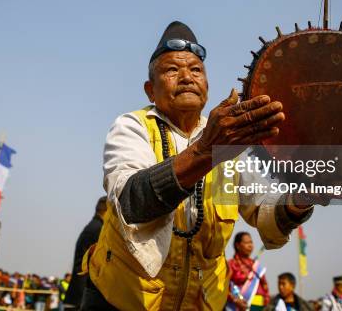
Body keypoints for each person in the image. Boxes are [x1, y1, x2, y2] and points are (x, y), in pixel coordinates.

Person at [81, 21, 321, 310]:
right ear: (150, 90)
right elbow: (131, 202)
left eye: (196, 70)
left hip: (202, 302)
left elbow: (264, 215)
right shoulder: (132, 126)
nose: (186, 77)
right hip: (122, 300)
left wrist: (303, 199)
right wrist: (207, 150)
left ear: (207, 84)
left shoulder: (229, 141)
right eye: (172, 70)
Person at [64, 196, 107, 309]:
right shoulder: (98, 230)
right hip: (83, 297)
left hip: (78, 295)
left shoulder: (92, 227)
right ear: (108, 211)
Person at [227, 232, 270, 310]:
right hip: (237, 307)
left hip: (257, 307)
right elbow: (223, 287)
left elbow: (265, 286)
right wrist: (235, 300)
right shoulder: (231, 264)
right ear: (238, 245)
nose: (250, 245)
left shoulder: (256, 266)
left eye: (251, 242)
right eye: (247, 242)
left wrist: (266, 301)